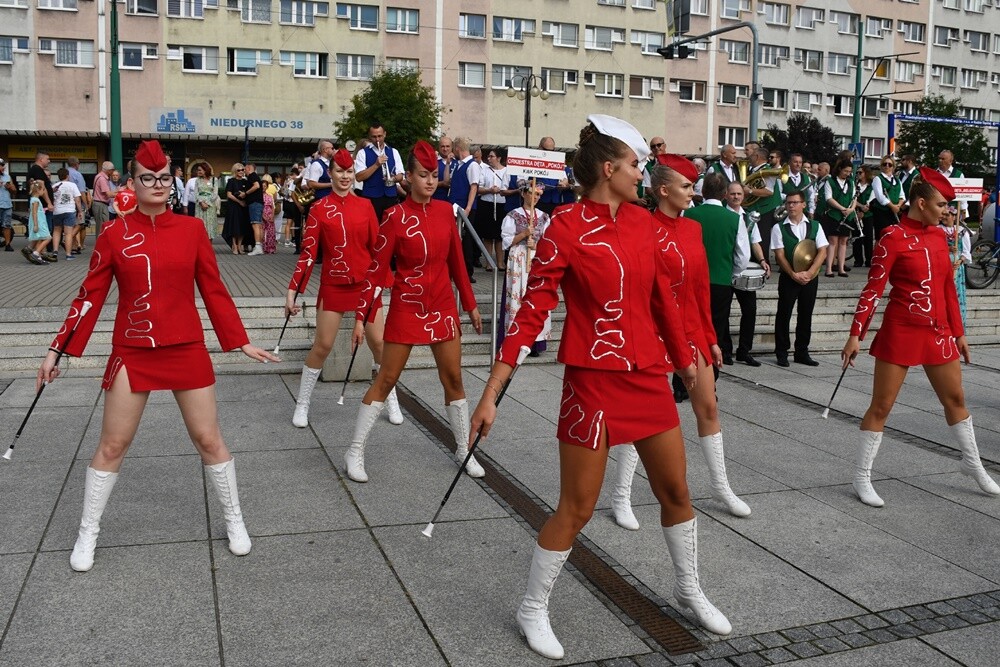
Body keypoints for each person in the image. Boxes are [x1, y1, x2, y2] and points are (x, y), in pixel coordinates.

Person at [470, 116, 731, 661]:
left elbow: (663, 297)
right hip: (591, 383)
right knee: (578, 507)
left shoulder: (643, 224)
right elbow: (532, 309)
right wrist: (493, 389)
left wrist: (684, 360)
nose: (642, 173)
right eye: (635, 165)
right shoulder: (564, 226)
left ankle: (688, 588)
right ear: (609, 170)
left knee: (676, 492)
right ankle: (533, 608)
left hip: (648, 378)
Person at [38, 140, 278, 572]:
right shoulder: (113, 234)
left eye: (165, 178)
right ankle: (88, 532)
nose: (158, 186)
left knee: (209, 439)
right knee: (113, 444)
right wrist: (59, 347)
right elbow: (90, 294)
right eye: (148, 178)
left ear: (173, 181)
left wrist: (238, 339)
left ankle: (234, 520)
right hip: (133, 349)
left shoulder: (191, 231)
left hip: (186, 346)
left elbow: (214, 289)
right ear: (131, 182)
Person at [843, 168, 999, 507]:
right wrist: (856, 334)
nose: (947, 211)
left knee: (955, 400)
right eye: (942, 204)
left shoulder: (941, 237)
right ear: (921, 202)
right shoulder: (892, 237)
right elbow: (873, 289)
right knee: (882, 406)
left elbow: (946, 289)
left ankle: (972, 463)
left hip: (939, 332)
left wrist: (960, 333)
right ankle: (861, 477)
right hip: (901, 330)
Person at [613, 154, 750, 536]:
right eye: (687, 186)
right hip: (652, 335)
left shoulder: (692, 229)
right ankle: (621, 496)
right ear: (663, 190)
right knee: (644, 418)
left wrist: (711, 337)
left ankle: (722, 488)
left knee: (708, 407)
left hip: (691, 331)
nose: (694, 192)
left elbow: (699, 291)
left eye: (693, 185)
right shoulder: (644, 228)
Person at [345, 141, 483, 484]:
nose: (430, 181)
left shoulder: (445, 212)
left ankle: (464, 449)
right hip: (407, 306)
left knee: (453, 379)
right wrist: (362, 316)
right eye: (423, 175)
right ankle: (355, 450)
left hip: (443, 307)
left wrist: (470, 304)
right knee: (387, 378)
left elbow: (457, 264)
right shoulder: (394, 217)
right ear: (408, 176)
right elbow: (376, 271)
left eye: (434, 175)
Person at [286, 149, 405, 429]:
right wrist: (293, 290)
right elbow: (308, 253)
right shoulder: (318, 209)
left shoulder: (365, 207)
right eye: (339, 171)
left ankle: (391, 399)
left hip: (365, 284)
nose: (344, 177)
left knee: (379, 344)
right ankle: (302, 403)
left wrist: (383, 283)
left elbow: (379, 249)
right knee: (323, 345)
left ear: (354, 174)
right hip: (334, 285)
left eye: (349, 172)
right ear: (330, 173)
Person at [683, 172, 749, 367]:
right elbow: (743, 258)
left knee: (688, 329)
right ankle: (711, 380)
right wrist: (731, 272)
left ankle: (681, 385)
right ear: (725, 194)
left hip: (692, 281)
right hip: (720, 281)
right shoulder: (735, 218)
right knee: (715, 331)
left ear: (702, 192)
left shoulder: (688, 214)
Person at [770, 189, 828, 367]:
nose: (791, 206)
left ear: (803, 204)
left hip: (810, 277)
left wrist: (810, 273)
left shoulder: (815, 225)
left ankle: (802, 352)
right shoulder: (778, 227)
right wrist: (793, 274)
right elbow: (779, 255)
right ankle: (781, 352)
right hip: (789, 277)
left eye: (795, 202)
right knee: (784, 314)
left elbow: (823, 252)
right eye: (788, 203)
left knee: (806, 314)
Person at [499, 184, 551, 356]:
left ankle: (535, 340)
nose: (535, 197)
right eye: (532, 193)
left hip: (536, 257)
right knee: (517, 295)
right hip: (519, 256)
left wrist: (536, 243)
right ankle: (516, 337)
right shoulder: (513, 215)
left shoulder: (544, 217)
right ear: (523, 193)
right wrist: (523, 235)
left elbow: (549, 242)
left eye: (538, 194)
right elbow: (506, 241)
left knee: (536, 296)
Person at [725, 181, 771, 367]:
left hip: (744, 270)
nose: (736, 197)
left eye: (739, 194)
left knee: (750, 311)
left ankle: (744, 351)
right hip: (725, 270)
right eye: (733, 194)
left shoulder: (749, 217)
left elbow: (755, 242)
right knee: (723, 312)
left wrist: (762, 261)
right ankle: (725, 350)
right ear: (726, 195)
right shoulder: (722, 215)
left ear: (743, 196)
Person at [448, 137, 481, 283]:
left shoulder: (472, 165)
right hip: (455, 206)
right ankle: (455, 269)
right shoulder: (458, 164)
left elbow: (474, 187)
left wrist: (468, 207)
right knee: (457, 239)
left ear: (457, 149)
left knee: (466, 239)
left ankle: (467, 272)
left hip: (465, 208)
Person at [355, 123, 404, 222]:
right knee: (373, 227)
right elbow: (359, 177)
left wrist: (393, 179)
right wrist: (376, 165)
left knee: (390, 226)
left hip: (390, 195)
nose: (377, 139)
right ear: (369, 136)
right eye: (374, 137)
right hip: (371, 197)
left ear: (385, 134)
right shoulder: (362, 153)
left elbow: (401, 175)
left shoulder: (394, 151)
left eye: (380, 136)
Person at [476, 148, 511, 270]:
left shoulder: (506, 171)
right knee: (488, 235)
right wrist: (489, 190)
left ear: (499, 158)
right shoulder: (484, 170)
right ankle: (489, 262)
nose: (489, 159)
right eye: (489, 157)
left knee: (499, 235)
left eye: (492, 156)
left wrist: (500, 191)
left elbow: (507, 187)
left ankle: (500, 263)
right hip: (487, 204)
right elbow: (478, 189)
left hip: (501, 205)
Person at [822, 159, 857, 277]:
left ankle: (841, 268)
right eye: (845, 171)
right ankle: (829, 268)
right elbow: (829, 198)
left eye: (849, 171)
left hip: (847, 215)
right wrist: (842, 208)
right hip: (834, 215)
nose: (847, 173)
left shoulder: (850, 182)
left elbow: (854, 197)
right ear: (839, 169)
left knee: (843, 242)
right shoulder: (830, 181)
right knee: (832, 241)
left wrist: (851, 209)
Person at [940, 205, 971, 328]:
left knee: (956, 296)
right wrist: (946, 248)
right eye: (944, 215)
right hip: (942, 267)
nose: (944, 217)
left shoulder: (962, 231)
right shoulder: (937, 230)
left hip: (956, 269)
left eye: (947, 215)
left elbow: (966, 252)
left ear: (954, 217)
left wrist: (961, 260)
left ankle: (957, 326)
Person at [51, 168, 84, 261]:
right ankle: (68, 254)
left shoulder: (55, 186)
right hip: (69, 210)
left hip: (57, 210)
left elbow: (53, 199)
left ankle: (55, 251)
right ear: (67, 176)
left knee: (57, 231)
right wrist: (80, 211)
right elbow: (77, 199)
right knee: (68, 233)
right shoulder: (73, 185)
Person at [870, 155, 903, 239]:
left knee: (894, 237)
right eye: (885, 164)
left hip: (894, 212)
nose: (887, 166)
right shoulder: (878, 179)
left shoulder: (897, 180)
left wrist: (898, 206)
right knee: (881, 237)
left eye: (890, 164)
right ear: (881, 166)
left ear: (893, 167)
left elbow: (902, 195)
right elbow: (880, 197)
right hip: (882, 212)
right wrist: (892, 206)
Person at [22, 180, 52, 265]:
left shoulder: (34, 199)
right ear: (38, 190)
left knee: (37, 238)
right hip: (39, 222)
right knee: (48, 238)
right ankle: (36, 253)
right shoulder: (36, 200)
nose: (44, 191)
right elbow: (34, 212)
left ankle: (28, 249)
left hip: (39, 221)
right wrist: (36, 225)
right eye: (43, 189)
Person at [222, 164, 249, 254]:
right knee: (234, 226)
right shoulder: (231, 181)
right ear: (235, 171)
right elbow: (229, 195)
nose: (241, 171)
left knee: (242, 226)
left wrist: (244, 198)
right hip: (233, 206)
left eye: (242, 170)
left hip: (243, 207)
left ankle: (239, 246)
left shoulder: (245, 181)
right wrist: (239, 201)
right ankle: (234, 246)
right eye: (239, 170)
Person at [852, 165, 876, 268]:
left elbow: (873, 200)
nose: (858, 174)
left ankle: (869, 259)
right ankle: (858, 260)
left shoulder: (872, 186)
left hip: (868, 215)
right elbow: (852, 199)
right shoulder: (854, 185)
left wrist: (865, 210)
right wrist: (860, 208)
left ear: (866, 173)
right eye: (857, 173)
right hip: (856, 214)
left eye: (860, 173)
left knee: (868, 238)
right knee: (856, 237)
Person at [191, 162, 219, 239]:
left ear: (205, 170)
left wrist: (207, 203)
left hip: (210, 206)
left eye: (200, 170)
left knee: (210, 226)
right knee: (200, 224)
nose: (198, 172)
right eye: (197, 170)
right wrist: (201, 202)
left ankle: (209, 248)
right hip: (199, 206)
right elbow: (196, 193)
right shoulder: (197, 180)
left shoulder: (214, 180)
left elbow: (215, 194)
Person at [243, 163, 265, 255]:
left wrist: (246, 193)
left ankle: (258, 246)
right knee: (258, 225)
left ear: (248, 168)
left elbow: (256, 186)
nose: (244, 171)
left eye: (244, 169)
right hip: (258, 203)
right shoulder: (255, 176)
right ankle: (258, 246)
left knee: (255, 225)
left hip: (254, 203)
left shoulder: (252, 176)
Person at [91, 161, 115, 233]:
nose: (113, 172)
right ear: (108, 170)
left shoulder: (99, 176)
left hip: (99, 204)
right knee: (102, 227)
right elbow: (108, 194)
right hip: (101, 205)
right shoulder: (102, 179)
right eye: (112, 170)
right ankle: (100, 243)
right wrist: (122, 193)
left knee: (102, 226)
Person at [0, 158, 15, 252]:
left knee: (7, 225)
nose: (3, 167)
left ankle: (8, 244)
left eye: (3, 165)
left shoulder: (7, 176)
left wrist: (10, 188)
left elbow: (14, 191)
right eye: (1, 165)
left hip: (7, 205)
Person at [433, 136, 454, 201]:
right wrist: (442, 183)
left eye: (447, 146)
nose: (445, 149)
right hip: (436, 200)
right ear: (439, 147)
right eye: (443, 146)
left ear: (452, 147)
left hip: (454, 202)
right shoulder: (433, 162)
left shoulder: (458, 162)